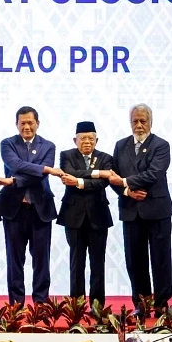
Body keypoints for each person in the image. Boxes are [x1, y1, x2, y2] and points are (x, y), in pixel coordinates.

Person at [109, 103, 172, 319]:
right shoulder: (120, 146)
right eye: (135, 121)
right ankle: (141, 304)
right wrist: (127, 191)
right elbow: (112, 178)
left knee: (160, 258)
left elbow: (154, 173)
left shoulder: (161, 145)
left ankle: (162, 304)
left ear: (150, 121)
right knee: (134, 260)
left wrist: (125, 181)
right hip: (131, 210)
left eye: (142, 121)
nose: (138, 125)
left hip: (157, 210)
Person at [0, 106, 62, 305]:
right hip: (14, 210)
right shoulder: (7, 143)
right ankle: (16, 304)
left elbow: (38, 175)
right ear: (16, 124)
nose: (26, 127)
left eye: (30, 123)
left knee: (41, 260)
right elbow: (15, 165)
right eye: (22, 123)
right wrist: (44, 168)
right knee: (14, 260)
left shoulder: (48, 146)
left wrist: (16, 181)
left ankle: (40, 303)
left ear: (37, 124)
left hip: (40, 209)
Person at [55, 121, 113, 308]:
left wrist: (80, 181)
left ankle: (97, 307)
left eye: (91, 138)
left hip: (98, 215)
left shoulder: (106, 158)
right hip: (73, 216)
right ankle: (77, 306)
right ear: (75, 140)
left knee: (98, 262)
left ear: (97, 140)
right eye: (83, 138)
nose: (87, 142)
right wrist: (98, 173)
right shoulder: (66, 155)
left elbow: (103, 184)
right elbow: (68, 173)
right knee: (76, 262)